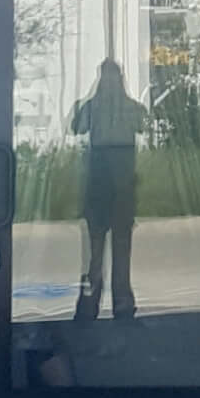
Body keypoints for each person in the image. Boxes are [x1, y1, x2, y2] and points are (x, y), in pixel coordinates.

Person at [71, 58, 146, 323]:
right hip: (112, 182)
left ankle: (96, 303)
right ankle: (118, 303)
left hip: (108, 183)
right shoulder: (127, 108)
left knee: (102, 248)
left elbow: (77, 128)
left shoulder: (99, 107)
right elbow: (143, 124)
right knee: (110, 247)